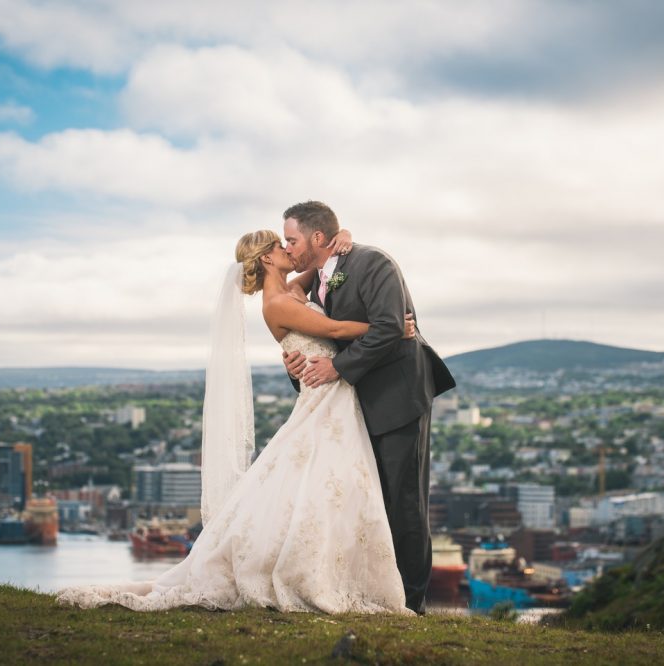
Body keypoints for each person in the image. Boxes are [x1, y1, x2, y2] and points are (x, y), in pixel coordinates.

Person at [56, 229, 415, 614]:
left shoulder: (291, 290)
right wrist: (392, 329)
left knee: (331, 487)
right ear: (265, 259)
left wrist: (341, 237)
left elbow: (321, 266)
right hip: (324, 396)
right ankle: (306, 572)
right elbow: (335, 330)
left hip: (336, 396)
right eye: (281, 245)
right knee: (324, 483)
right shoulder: (277, 303)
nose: (288, 249)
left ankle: (339, 570)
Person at [281, 201, 455, 615]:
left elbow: (392, 327)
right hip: (353, 406)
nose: (288, 249)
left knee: (404, 502)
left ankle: (412, 604)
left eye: (292, 240)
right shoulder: (311, 282)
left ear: (318, 238)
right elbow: (323, 341)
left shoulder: (373, 263)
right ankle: (374, 592)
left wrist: (338, 367)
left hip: (397, 399)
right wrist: (299, 365)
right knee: (366, 502)